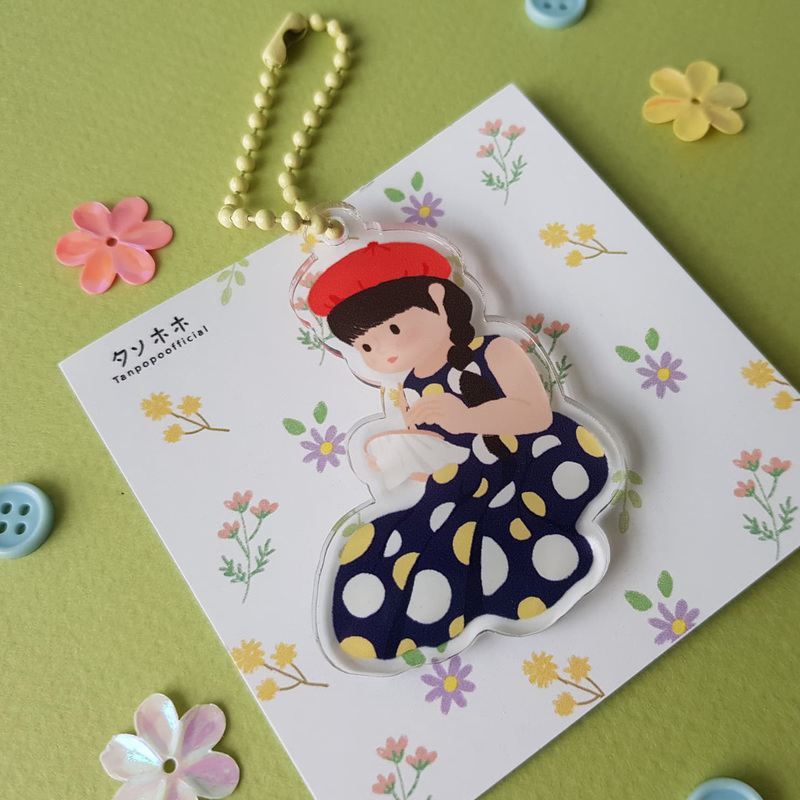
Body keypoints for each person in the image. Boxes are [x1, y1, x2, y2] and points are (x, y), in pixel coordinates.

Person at [307, 240, 608, 663]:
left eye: (393, 330)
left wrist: (467, 418)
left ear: (437, 299)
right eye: (367, 348)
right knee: (395, 543)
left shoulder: (495, 350)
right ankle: (395, 630)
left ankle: (496, 591)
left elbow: (536, 414)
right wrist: (399, 459)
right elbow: (431, 459)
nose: (386, 352)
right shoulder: (409, 388)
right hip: (457, 483)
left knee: (479, 533)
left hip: (528, 463)